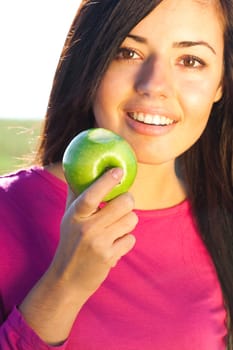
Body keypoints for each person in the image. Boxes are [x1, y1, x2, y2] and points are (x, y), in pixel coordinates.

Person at [0, 0, 232, 348]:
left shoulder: (224, 224)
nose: (154, 85)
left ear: (220, 85)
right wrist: (65, 285)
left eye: (191, 61)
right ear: (91, 65)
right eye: (128, 52)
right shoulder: (7, 212)